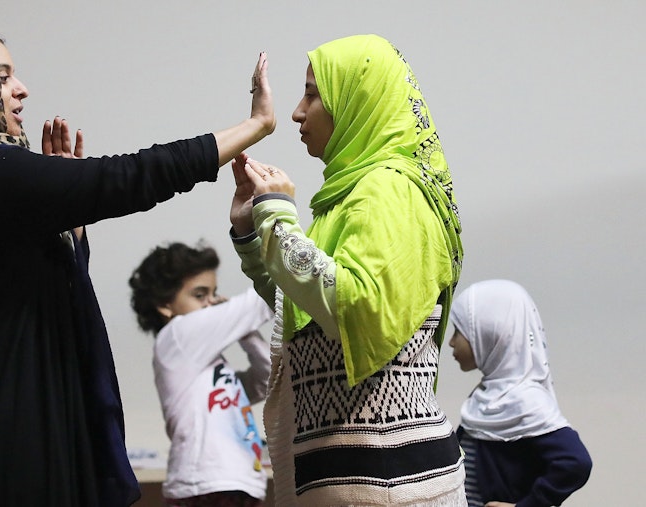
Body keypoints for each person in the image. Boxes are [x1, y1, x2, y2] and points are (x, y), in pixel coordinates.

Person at [0, 20, 274, 507]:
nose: (21, 89)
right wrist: (254, 126)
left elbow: (24, 284)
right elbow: (125, 178)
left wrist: (68, 227)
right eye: (2, 75)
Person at [229, 34, 466, 506]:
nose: (297, 111)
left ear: (357, 100)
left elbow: (354, 307)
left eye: (313, 94)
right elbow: (302, 310)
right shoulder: (346, 199)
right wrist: (253, 237)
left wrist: (278, 217)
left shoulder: (390, 191)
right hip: (352, 476)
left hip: (391, 484)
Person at [128, 242, 273, 507]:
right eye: (199, 294)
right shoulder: (176, 338)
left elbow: (268, 380)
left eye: (213, 294)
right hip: (205, 486)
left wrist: (245, 332)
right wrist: (290, 271)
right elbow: (257, 304)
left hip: (238, 484)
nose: (211, 303)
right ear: (164, 304)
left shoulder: (209, 368)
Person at [448, 279, 592, 507]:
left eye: (459, 331)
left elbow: (576, 462)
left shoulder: (525, 401)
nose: (451, 342)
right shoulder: (485, 397)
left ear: (489, 331)